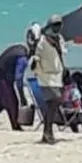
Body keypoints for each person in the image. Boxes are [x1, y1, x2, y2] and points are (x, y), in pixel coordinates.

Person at [30, 15, 67, 144]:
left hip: (57, 75)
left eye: (59, 24)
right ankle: (47, 131)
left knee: (52, 104)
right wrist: (35, 63)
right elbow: (37, 55)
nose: (58, 27)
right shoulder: (42, 41)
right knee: (55, 100)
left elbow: (61, 56)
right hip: (45, 75)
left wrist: (65, 69)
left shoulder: (60, 39)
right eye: (56, 24)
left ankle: (47, 132)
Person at [0, 44, 27, 130]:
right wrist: (22, 97)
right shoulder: (22, 58)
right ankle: (15, 126)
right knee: (12, 102)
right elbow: (19, 79)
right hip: (2, 78)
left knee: (3, 102)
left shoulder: (18, 48)